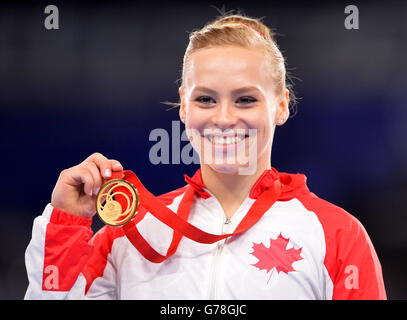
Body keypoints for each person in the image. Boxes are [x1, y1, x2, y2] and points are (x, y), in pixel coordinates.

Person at [24, 13, 386, 300]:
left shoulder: (337, 235)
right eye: (205, 99)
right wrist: (65, 226)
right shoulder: (131, 236)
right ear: (183, 106)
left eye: (246, 99)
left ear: (281, 106)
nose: (224, 118)